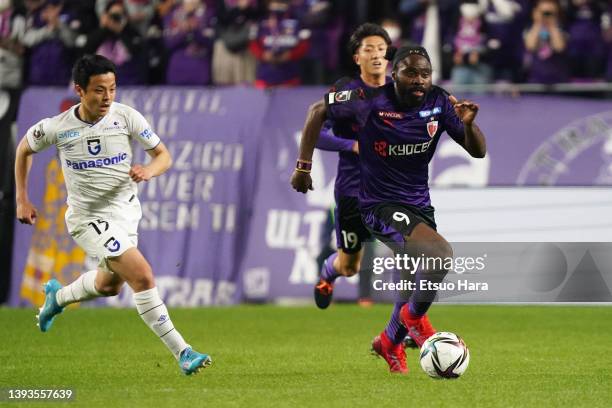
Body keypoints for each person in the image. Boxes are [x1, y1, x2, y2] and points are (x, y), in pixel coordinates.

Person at [291, 45, 486, 374]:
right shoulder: (368, 101)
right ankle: (414, 320)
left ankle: (389, 341)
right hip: (378, 205)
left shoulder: (439, 101)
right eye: (410, 72)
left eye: (425, 73)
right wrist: (303, 167)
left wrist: (467, 125)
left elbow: (478, 152)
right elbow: (315, 112)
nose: (419, 79)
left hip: (419, 204)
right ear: (394, 75)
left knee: (413, 283)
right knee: (439, 256)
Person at [14, 54, 212, 376]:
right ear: (80, 90)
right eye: (98, 90)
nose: (107, 98)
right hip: (87, 217)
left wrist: (149, 170)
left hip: (125, 212)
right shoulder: (57, 127)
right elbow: (23, 149)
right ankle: (184, 353)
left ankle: (58, 297)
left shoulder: (126, 117)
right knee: (143, 275)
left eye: (112, 89)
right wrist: (22, 198)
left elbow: (163, 155)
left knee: (110, 286)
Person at [312, 22, 391, 310]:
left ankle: (408, 328)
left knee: (413, 251)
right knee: (350, 266)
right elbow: (316, 133)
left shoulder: (401, 94)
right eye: (368, 49)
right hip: (352, 193)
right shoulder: (344, 93)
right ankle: (328, 272)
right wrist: (352, 145)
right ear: (357, 57)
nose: (376, 54)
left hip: (391, 191)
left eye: (381, 49)